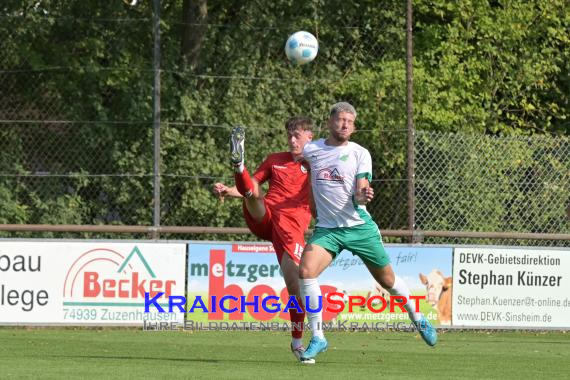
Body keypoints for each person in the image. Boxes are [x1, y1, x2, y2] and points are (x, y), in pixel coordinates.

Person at [298, 102, 437, 363]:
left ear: (355, 126)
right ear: (329, 122)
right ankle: (318, 337)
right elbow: (294, 160)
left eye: (350, 121)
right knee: (306, 272)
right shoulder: (312, 150)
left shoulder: (360, 153)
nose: (345, 125)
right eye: (340, 120)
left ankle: (417, 317)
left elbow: (362, 187)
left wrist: (363, 194)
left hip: (359, 227)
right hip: (328, 229)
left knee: (387, 281)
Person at [213, 116, 315, 363]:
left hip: (291, 229)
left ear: (309, 137)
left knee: (295, 287)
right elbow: (253, 186)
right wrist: (229, 190)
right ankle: (239, 166)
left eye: (297, 135)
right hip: (266, 217)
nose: (292, 139)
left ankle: (297, 342)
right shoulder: (274, 160)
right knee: (254, 196)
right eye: (289, 134)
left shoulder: (317, 163)